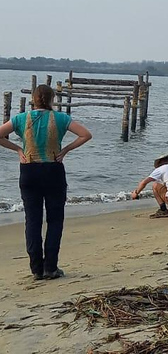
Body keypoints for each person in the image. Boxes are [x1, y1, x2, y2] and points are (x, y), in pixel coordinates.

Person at [0, 85, 92, 280]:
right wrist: (65, 150)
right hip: (53, 169)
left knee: (32, 220)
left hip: (29, 169)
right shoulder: (60, 118)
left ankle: (36, 268)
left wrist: (18, 149)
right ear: (52, 100)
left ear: (34, 100)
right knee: (55, 219)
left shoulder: (20, 118)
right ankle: (51, 267)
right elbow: (86, 135)